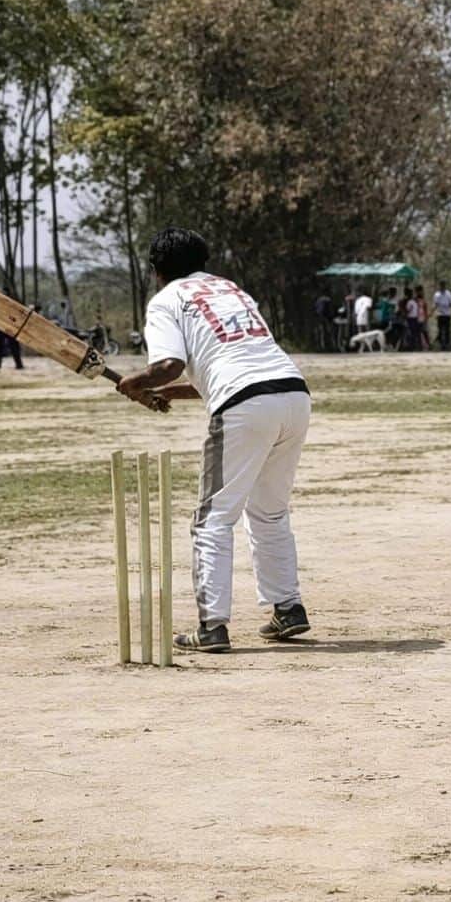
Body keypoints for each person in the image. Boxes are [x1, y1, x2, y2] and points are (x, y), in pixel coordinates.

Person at [115, 226, 312, 653]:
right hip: (293, 394)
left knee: (212, 517)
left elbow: (168, 363)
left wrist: (136, 381)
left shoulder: (166, 300)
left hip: (245, 404)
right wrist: (166, 391)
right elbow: (226, 365)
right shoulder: (229, 290)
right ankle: (288, 608)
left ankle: (212, 627)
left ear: (155, 272)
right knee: (270, 512)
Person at [433, 282, 451, 350]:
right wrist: (433, 312)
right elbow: (435, 304)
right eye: (441, 286)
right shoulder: (437, 294)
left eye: (443, 286)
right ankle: (441, 345)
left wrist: (446, 305)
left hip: (447, 314)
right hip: (440, 314)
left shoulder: (448, 293)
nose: (442, 287)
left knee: (447, 330)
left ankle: (447, 345)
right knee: (440, 330)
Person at [413, 284, 431, 350]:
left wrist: (426, 318)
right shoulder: (414, 299)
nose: (419, 292)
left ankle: (429, 346)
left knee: (425, 332)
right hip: (417, 318)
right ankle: (419, 346)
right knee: (418, 333)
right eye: (417, 291)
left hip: (423, 318)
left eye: (420, 291)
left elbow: (425, 308)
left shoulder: (423, 299)